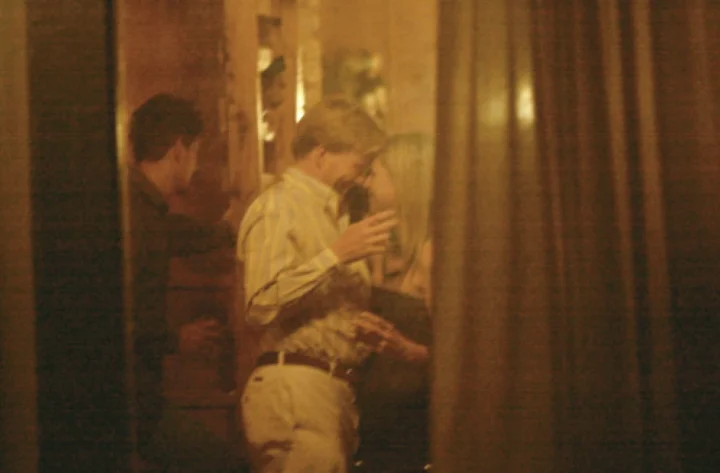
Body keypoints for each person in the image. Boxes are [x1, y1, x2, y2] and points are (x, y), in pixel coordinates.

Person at [237, 96, 402, 473]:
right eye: (358, 164)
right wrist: (335, 255)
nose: (361, 177)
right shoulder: (280, 206)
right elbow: (260, 304)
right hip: (296, 390)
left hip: (327, 393)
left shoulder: (333, 213)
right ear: (321, 154)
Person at [127, 93, 247, 473]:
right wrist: (176, 339)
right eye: (195, 153)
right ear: (179, 150)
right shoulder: (142, 217)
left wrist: (225, 231)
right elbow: (128, 315)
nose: (195, 166)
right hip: (135, 402)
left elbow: (174, 233)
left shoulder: (135, 206)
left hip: (132, 399)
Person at [364, 133, 434, 292]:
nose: (366, 184)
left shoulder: (435, 253)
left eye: (373, 175)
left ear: (401, 180)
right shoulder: (380, 244)